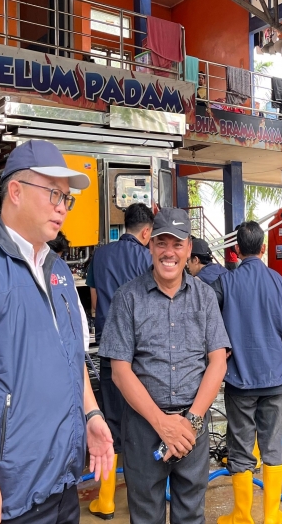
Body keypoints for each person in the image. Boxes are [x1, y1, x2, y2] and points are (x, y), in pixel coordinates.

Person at [0, 139, 114, 524]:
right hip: (7, 495)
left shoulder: (59, 271)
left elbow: (73, 357)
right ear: (15, 191)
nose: (63, 207)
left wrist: (92, 415)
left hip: (60, 483)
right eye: (54, 194)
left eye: (67, 199)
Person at [99, 208, 230, 524]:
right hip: (144, 428)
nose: (169, 252)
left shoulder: (205, 298)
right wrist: (162, 424)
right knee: (145, 516)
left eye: (177, 243)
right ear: (150, 245)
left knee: (191, 514)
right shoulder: (127, 298)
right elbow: (120, 370)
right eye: (161, 242)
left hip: (192, 428)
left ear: (188, 248)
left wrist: (191, 422)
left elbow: (217, 362)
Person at [210, 221, 282, 524]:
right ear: (263, 249)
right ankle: (272, 515)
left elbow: (208, 323)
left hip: (239, 381)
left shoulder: (224, 284)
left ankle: (241, 516)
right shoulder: (279, 283)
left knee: (240, 445)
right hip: (274, 378)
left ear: (236, 251)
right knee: (273, 444)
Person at [85, 202, 154, 519]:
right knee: (142, 423)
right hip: (142, 354)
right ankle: (145, 498)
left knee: (110, 420)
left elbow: (95, 300)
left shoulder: (100, 254)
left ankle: (107, 500)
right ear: (146, 231)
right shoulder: (146, 257)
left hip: (110, 349)